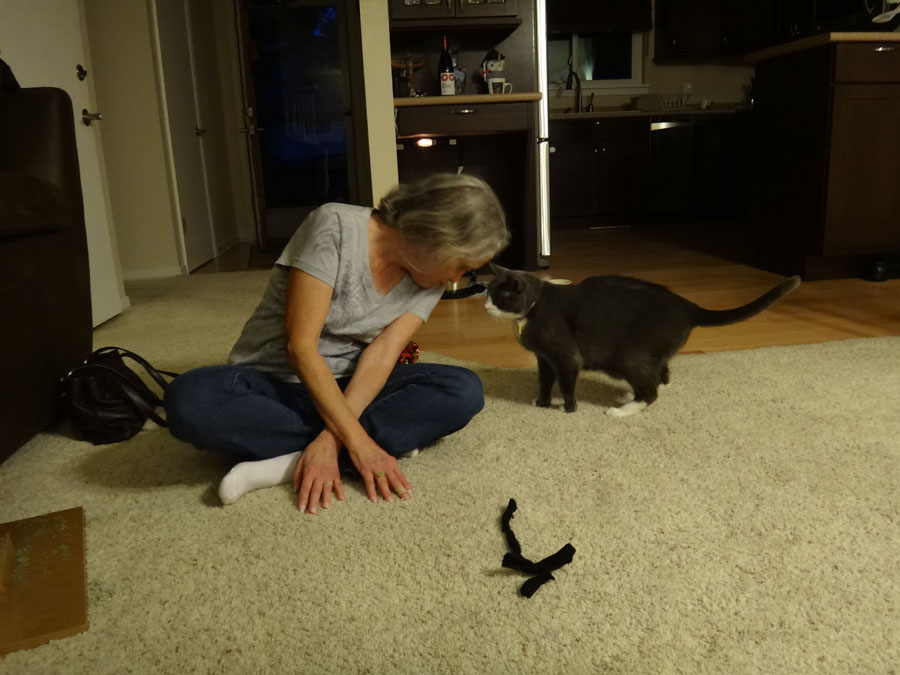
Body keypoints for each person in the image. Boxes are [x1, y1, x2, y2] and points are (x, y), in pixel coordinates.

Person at [165, 173, 510, 514]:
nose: (454, 279)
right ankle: (362, 444)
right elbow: (300, 347)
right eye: (460, 265)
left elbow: (382, 355)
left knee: (463, 391)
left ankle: (292, 460)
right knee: (190, 400)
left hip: (351, 387)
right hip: (273, 383)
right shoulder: (335, 225)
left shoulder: (429, 281)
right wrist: (359, 442)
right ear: (435, 236)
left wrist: (332, 439)